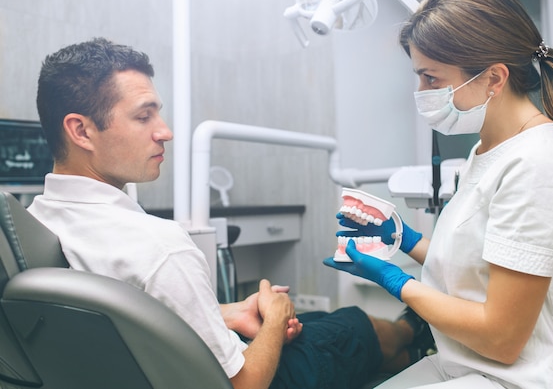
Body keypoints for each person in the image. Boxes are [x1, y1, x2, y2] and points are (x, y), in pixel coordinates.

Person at [29, 37, 423, 389]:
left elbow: (121, 313)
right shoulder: (159, 247)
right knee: (350, 325)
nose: (164, 131)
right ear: (81, 131)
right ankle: (414, 332)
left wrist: (226, 313)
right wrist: (275, 316)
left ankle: (411, 349)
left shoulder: (36, 223)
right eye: (143, 116)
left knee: (320, 326)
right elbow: (244, 384)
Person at [324, 0, 553, 389]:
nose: (421, 93)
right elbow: (480, 267)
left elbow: (501, 337)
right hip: (472, 362)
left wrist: (398, 282)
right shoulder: (488, 149)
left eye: (431, 78)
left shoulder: (540, 162)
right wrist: (404, 240)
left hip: (536, 375)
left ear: (494, 78)